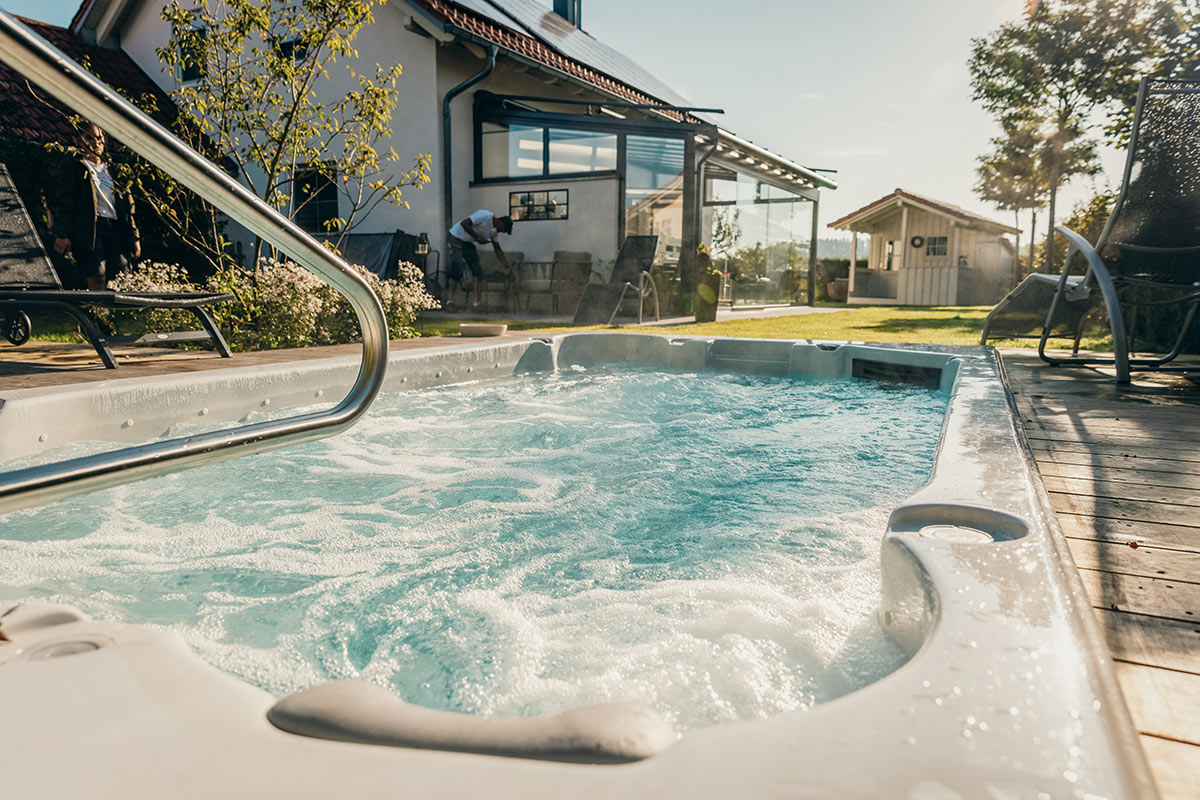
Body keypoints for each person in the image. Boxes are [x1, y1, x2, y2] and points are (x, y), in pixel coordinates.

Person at [51, 123, 140, 291]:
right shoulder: (74, 167)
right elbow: (65, 201)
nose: (95, 142)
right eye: (89, 138)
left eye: (99, 137)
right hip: (90, 227)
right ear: (78, 141)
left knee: (121, 270)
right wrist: (62, 234)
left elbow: (128, 205)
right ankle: (96, 313)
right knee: (96, 273)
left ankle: (116, 313)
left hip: (114, 226)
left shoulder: (114, 168)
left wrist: (134, 237)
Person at [444, 209, 513, 311]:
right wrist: (478, 238)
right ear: (500, 223)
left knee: (478, 272)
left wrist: (507, 266)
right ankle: (449, 303)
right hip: (455, 237)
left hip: (467, 242)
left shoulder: (493, 232)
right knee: (457, 269)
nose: (502, 232)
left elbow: (498, 250)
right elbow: (464, 223)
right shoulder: (484, 215)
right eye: (503, 230)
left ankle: (476, 304)